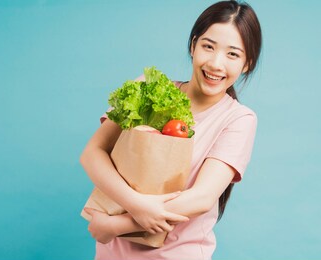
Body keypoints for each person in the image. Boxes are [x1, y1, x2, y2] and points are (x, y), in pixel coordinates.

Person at [80, 0, 262, 259]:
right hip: (112, 252)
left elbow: (201, 198)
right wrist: (135, 206)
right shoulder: (148, 88)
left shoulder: (238, 119)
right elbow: (92, 153)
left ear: (247, 64)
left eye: (232, 54)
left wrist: (116, 225)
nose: (216, 63)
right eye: (208, 47)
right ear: (193, 45)